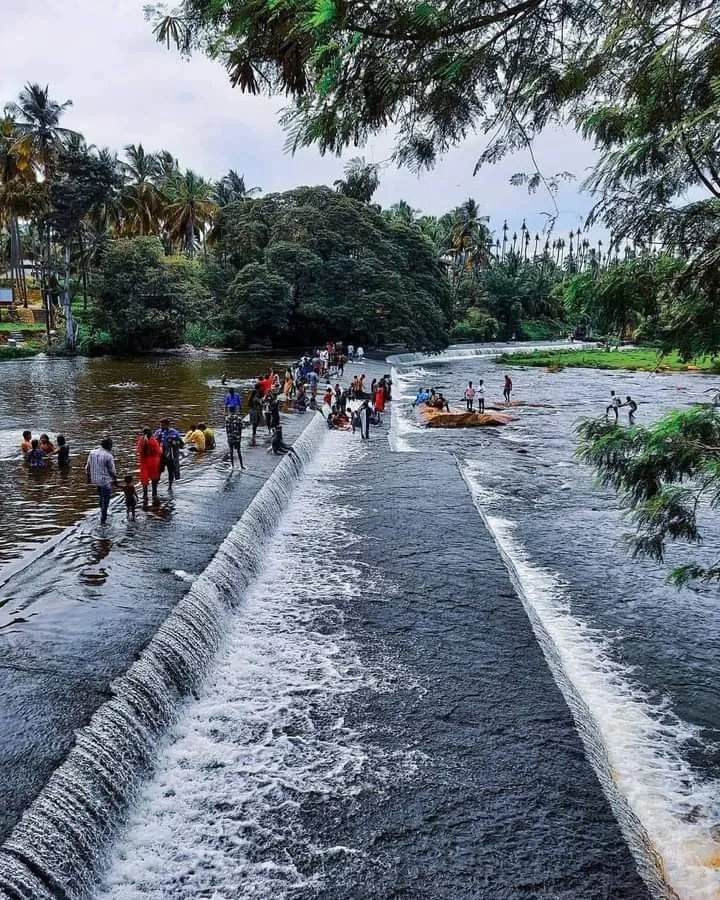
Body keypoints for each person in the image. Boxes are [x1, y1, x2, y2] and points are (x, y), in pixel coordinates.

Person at [85, 437, 118, 526]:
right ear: (108, 446)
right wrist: (115, 480)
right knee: (106, 500)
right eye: (111, 445)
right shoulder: (108, 456)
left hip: (95, 479)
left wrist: (88, 478)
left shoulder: (92, 452)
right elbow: (112, 471)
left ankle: (102, 511)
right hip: (104, 481)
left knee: (101, 496)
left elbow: (87, 467)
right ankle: (103, 520)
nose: (112, 447)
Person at [136, 427, 162, 505]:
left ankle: (145, 495)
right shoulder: (153, 441)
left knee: (144, 479)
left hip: (144, 462)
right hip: (154, 462)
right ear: (151, 433)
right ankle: (154, 494)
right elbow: (158, 452)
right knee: (154, 478)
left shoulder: (141, 440)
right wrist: (161, 448)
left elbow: (138, 451)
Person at [155, 419, 183, 489]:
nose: (161, 427)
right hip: (160, 456)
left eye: (163, 425)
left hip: (170, 456)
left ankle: (170, 486)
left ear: (167, 425)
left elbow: (181, 444)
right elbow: (153, 442)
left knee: (171, 471)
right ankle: (155, 485)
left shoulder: (174, 433)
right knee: (158, 470)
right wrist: (157, 439)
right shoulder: (158, 432)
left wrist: (173, 442)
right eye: (160, 425)